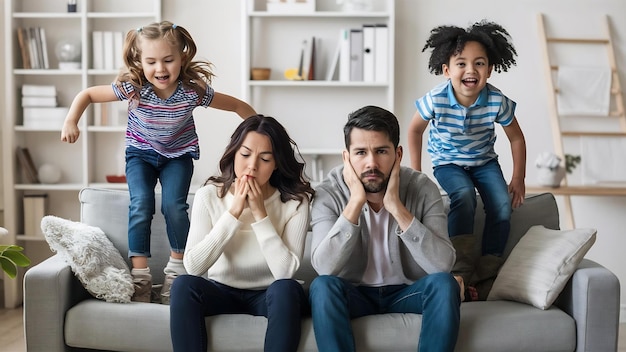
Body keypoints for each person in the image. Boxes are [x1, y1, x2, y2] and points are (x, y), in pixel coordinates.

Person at [60, 21, 257, 303]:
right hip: (140, 154)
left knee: (174, 206)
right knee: (141, 203)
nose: (160, 69)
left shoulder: (193, 91)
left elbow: (240, 107)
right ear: (139, 61)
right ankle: (140, 278)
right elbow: (88, 95)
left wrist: (260, 132)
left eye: (168, 60)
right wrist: (71, 120)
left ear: (182, 57)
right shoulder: (133, 88)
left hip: (178, 156)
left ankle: (177, 272)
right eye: (151, 61)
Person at [309, 105, 460, 352]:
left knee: (445, 284)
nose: (371, 163)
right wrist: (355, 202)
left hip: (407, 292)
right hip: (354, 294)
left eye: (381, 151)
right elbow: (324, 267)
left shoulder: (422, 188)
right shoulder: (329, 192)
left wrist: (397, 208)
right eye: (360, 153)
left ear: (398, 154)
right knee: (322, 286)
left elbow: (442, 265)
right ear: (346, 157)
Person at [169, 114, 315, 352]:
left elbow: (285, 271)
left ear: (276, 163)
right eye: (245, 155)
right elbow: (193, 267)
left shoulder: (295, 202)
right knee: (183, 285)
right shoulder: (209, 195)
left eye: (265, 159)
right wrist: (234, 212)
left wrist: (260, 215)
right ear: (234, 153)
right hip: (221, 290)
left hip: (270, 294)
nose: (252, 166)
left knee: (286, 289)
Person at [407, 20, 527, 300]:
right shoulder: (436, 99)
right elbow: (414, 130)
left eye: (479, 63)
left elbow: (517, 138)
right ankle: (459, 268)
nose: (470, 70)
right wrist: (416, 171)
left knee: (500, 205)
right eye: (461, 63)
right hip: (447, 162)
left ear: (490, 69)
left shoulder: (496, 100)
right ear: (447, 70)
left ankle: (488, 268)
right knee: (463, 195)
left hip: (484, 161)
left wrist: (518, 178)